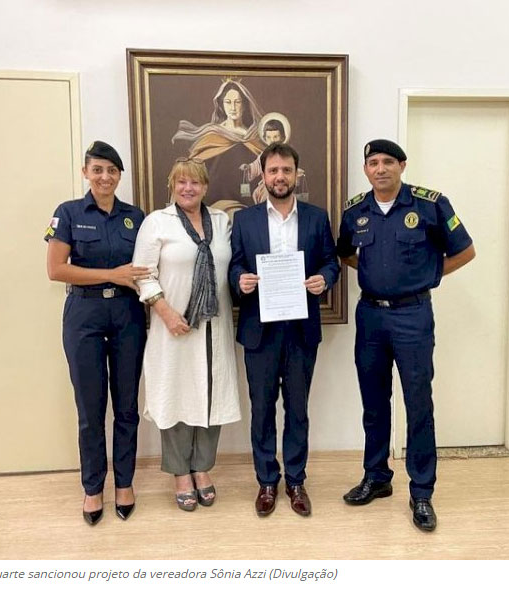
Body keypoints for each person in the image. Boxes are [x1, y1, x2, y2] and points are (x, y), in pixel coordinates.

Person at [337, 139, 476, 532]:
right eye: (373, 163)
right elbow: (345, 253)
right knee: (373, 402)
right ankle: (377, 477)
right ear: (366, 169)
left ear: (402, 165)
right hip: (370, 316)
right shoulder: (355, 211)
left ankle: (421, 491)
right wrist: (372, 275)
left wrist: (427, 275)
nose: (380, 169)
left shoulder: (431, 205)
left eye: (387, 162)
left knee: (418, 403)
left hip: (412, 315)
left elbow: (465, 251)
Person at [229, 142, 339, 517]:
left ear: (296, 174)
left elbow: (331, 262)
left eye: (286, 170)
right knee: (261, 410)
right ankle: (266, 481)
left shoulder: (316, 218)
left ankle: (295, 480)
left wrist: (325, 279)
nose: (280, 176)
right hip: (259, 330)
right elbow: (235, 265)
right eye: (273, 170)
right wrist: (239, 280)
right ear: (263, 175)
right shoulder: (245, 221)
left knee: (297, 410)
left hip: (300, 330)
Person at [44, 140, 149, 525]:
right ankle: (92, 487)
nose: (105, 177)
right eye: (98, 170)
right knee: (90, 409)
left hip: (127, 314)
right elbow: (56, 269)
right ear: (86, 172)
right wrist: (112, 274)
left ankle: (124, 483)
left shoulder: (135, 217)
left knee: (126, 406)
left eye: (112, 170)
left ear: (120, 175)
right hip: (84, 314)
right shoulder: (68, 213)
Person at [132, 157, 241, 511]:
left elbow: (233, 267)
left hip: (214, 326)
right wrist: (165, 312)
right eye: (181, 182)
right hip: (174, 328)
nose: (188, 188)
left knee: (211, 395)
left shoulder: (221, 222)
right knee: (176, 394)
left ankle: (202, 467)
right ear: (172, 186)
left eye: (195, 182)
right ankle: (180, 472)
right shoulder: (157, 222)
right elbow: (142, 274)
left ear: (205, 187)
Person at [172, 78, 266, 210]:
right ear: (221, 105)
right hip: (216, 205)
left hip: (251, 205)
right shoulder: (213, 135)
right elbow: (195, 170)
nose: (233, 107)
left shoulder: (255, 137)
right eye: (228, 102)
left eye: (237, 102)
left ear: (244, 105)